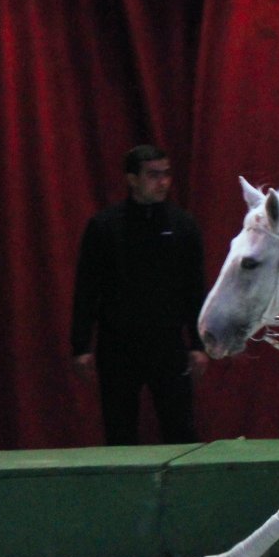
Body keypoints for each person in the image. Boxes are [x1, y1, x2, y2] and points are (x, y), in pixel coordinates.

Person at [71, 145, 207, 446]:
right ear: (132, 179)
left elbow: (195, 289)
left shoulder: (183, 226)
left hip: (168, 344)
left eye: (166, 174)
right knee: (119, 433)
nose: (162, 182)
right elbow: (87, 288)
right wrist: (80, 345)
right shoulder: (104, 226)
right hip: (117, 346)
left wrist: (199, 343)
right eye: (153, 175)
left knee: (181, 430)